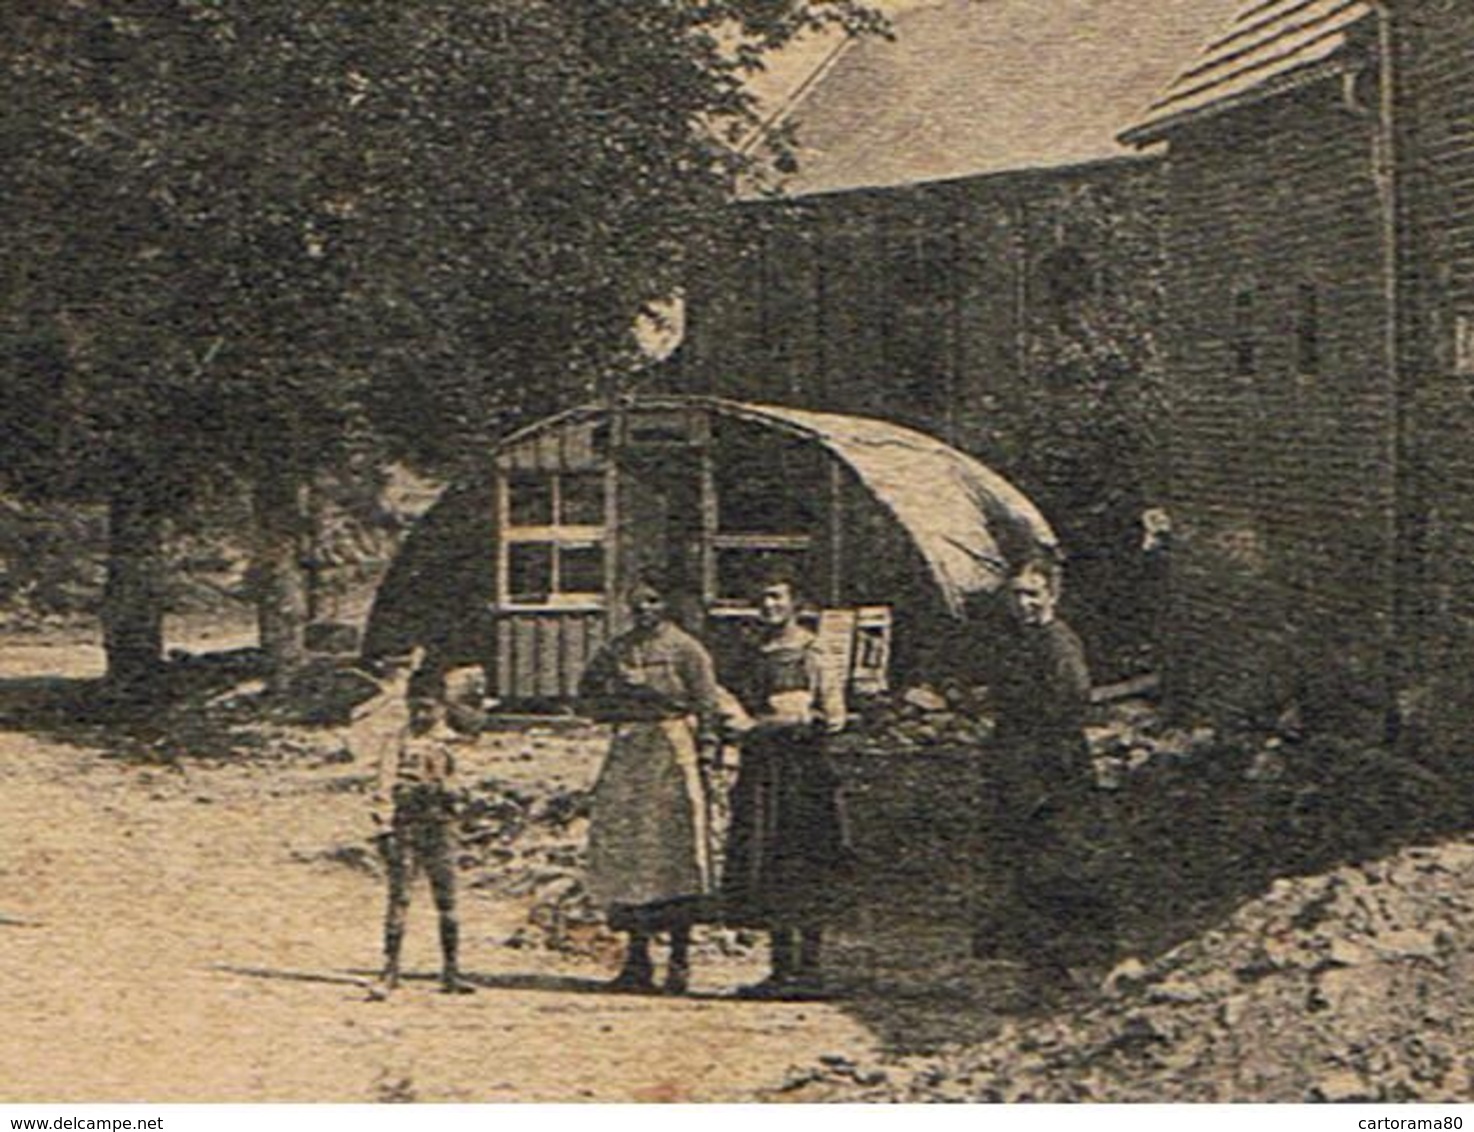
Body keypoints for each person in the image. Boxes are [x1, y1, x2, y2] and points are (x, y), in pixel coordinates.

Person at [577, 578, 722, 994]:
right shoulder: (617, 649)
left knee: (674, 852)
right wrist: (617, 707)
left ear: (667, 604)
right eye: (636, 602)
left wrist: (708, 749)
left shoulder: (686, 649)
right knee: (630, 853)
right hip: (629, 751)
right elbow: (586, 695)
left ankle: (679, 959)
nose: (644, 609)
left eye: (653, 601)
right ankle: (637, 960)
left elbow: (707, 704)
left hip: (673, 748)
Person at [974, 559, 1111, 992]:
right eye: (1017, 595)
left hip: (1051, 768)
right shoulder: (1018, 641)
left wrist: (1034, 743)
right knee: (1020, 863)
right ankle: (1039, 967)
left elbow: (1072, 700)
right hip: (1018, 764)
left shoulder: (1058, 643)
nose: (1024, 603)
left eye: (1033, 594)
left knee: (1050, 864)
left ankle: (1057, 969)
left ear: (1051, 596)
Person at [722, 576, 850, 1000]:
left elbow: (833, 716)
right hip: (762, 772)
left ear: (796, 603)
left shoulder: (813, 653)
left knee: (806, 862)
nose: (768, 604)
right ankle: (779, 968)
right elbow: (734, 705)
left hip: (804, 772)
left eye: (776, 596)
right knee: (767, 862)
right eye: (761, 597)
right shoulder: (754, 654)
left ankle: (810, 969)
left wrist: (779, 720)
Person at [364, 687, 474, 1000]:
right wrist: (383, 824)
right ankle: (390, 970)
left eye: (428, 708)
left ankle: (451, 970)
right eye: (415, 708)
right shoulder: (397, 741)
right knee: (399, 897)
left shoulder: (452, 742)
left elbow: (466, 784)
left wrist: (452, 792)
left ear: (441, 707)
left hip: (441, 825)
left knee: (447, 900)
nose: (421, 715)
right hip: (406, 824)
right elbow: (383, 784)